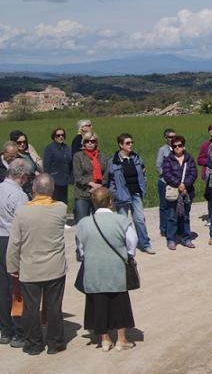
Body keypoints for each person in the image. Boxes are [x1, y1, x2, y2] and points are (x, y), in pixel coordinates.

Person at [6, 174, 67, 355]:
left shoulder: (22, 212)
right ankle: (55, 343)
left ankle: (34, 344)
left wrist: (12, 267)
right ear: (52, 190)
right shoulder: (61, 208)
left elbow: (15, 243)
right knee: (54, 307)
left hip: (30, 267)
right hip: (55, 267)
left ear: (33, 190)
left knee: (31, 308)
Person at [75, 187, 138, 352]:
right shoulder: (121, 220)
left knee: (98, 302)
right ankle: (121, 339)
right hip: (116, 267)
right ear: (110, 201)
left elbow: (80, 249)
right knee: (119, 302)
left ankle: (104, 339)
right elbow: (132, 240)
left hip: (93, 270)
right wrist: (128, 255)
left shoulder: (83, 223)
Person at [107, 133, 153, 255]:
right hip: (121, 195)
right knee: (123, 222)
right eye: (127, 143)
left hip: (136, 193)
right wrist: (115, 193)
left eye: (131, 142)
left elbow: (143, 172)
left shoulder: (136, 158)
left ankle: (145, 244)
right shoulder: (113, 161)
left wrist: (144, 185)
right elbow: (110, 180)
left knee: (139, 220)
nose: (130, 145)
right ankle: (123, 247)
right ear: (120, 145)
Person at [0, 159, 30, 348]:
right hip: (13, 241)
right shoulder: (19, 195)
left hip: (0, 238)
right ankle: (19, 331)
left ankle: (6, 330)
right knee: (17, 288)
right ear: (21, 175)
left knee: (2, 287)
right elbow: (23, 223)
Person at [162, 135, 197, 250]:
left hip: (187, 191)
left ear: (183, 146)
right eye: (175, 146)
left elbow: (193, 173)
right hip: (174, 192)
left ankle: (186, 238)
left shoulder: (189, 159)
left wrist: (185, 184)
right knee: (172, 216)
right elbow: (167, 174)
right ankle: (171, 239)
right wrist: (178, 184)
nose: (177, 148)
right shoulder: (168, 159)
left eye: (180, 145)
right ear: (172, 147)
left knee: (185, 216)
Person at [72, 131, 109, 225]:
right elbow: (78, 176)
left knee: (100, 224)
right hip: (82, 194)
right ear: (83, 143)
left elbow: (106, 174)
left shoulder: (102, 156)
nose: (90, 143)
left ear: (96, 143)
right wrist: (91, 184)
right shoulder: (78, 156)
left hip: (99, 194)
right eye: (87, 141)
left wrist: (98, 186)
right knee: (82, 223)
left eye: (92, 141)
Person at [155, 128, 176, 240]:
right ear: (165, 139)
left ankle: (174, 227)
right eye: (170, 137)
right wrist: (168, 175)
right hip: (165, 182)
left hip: (176, 182)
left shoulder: (179, 148)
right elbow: (158, 166)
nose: (173, 139)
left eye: (174, 137)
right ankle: (163, 228)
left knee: (175, 206)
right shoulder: (162, 150)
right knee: (164, 206)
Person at [43, 127, 72, 204]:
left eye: (62, 135)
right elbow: (46, 166)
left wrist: (71, 177)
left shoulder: (66, 148)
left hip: (65, 180)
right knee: (54, 203)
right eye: (58, 135)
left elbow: (70, 163)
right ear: (54, 137)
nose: (61, 137)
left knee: (63, 203)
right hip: (54, 181)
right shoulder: (49, 148)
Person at [9, 131, 41, 198]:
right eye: (19, 143)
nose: (22, 144)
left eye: (24, 142)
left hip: (34, 187)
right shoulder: (15, 157)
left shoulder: (28, 154)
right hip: (23, 189)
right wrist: (35, 173)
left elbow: (38, 165)